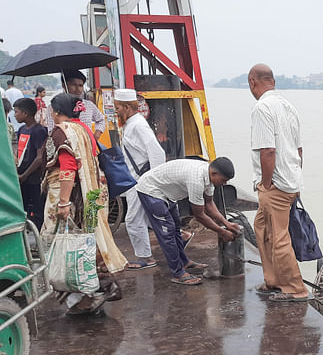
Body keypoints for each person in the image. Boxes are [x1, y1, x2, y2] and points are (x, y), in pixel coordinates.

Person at [41, 93, 128, 314]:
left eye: (52, 110)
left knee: (60, 241)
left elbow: (68, 168)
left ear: (57, 111)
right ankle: (91, 290)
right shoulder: (83, 129)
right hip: (89, 194)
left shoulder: (62, 131)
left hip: (68, 195)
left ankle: (98, 288)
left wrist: (63, 203)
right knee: (85, 240)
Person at [248, 63, 309, 302]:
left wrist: (266, 183)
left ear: (253, 81)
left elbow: (268, 151)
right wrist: (295, 177)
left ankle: (296, 288)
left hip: (275, 184)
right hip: (290, 181)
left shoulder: (262, 108)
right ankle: (273, 279)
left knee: (279, 236)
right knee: (262, 227)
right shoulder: (288, 106)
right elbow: (299, 149)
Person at [137, 158, 239, 285]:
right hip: (151, 190)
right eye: (223, 180)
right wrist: (221, 232)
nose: (224, 184)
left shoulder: (209, 178)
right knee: (167, 232)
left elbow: (209, 204)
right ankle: (178, 273)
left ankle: (184, 262)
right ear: (214, 173)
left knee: (176, 228)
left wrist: (226, 224)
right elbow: (200, 215)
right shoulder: (196, 179)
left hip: (168, 192)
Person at [114, 89, 166, 270]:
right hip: (136, 179)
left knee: (134, 220)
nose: (116, 111)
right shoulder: (131, 124)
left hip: (141, 180)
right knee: (150, 216)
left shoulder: (138, 125)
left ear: (127, 107)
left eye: (118, 107)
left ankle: (146, 258)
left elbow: (157, 152)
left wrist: (155, 179)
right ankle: (181, 235)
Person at [13, 98, 47, 228]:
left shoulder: (38, 131)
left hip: (33, 178)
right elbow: (19, 153)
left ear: (25, 113)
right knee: (23, 208)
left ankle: (39, 238)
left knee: (38, 210)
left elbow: (39, 157)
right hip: (22, 177)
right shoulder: (22, 129)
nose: (15, 115)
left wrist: (25, 175)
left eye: (16, 112)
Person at [46, 69, 106, 141]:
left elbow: (101, 120)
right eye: (73, 85)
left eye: (80, 85)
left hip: (86, 146)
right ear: (64, 85)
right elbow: (51, 131)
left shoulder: (89, 105)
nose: (78, 89)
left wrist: (95, 136)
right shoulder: (53, 107)